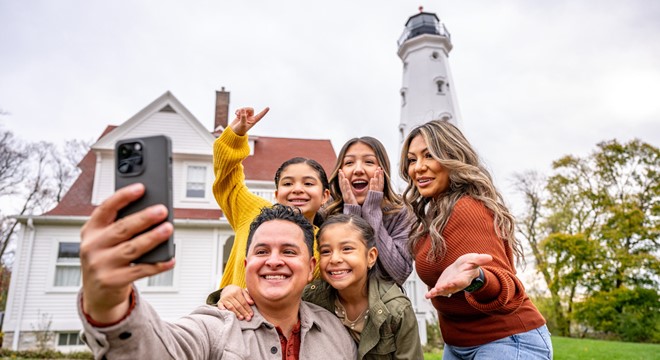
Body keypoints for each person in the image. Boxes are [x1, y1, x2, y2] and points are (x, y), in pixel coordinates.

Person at [78, 190, 358, 359]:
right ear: (246, 264)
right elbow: (161, 350)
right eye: (262, 252)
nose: (273, 261)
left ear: (311, 268)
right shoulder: (215, 327)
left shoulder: (336, 333)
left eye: (288, 251)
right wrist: (111, 305)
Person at [400, 120, 553, 359]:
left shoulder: (467, 208)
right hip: (458, 344)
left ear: (451, 157)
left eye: (429, 155)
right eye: (412, 159)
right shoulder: (435, 215)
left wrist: (476, 278)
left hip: (506, 341)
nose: (418, 167)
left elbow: (508, 289)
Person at [215, 106, 331, 288]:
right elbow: (228, 180)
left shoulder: (326, 243)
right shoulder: (253, 212)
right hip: (229, 314)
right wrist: (234, 138)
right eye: (288, 183)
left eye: (308, 183)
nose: (297, 189)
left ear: (325, 196)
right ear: (277, 195)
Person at [303, 214, 423, 359]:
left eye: (347, 249)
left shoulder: (397, 310)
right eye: (326, 251)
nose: (334, 259)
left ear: (370, 257)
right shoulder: (310, 299)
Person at [324, 137, 413, 285]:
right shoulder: (326, 210)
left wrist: (372, 212)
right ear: (340, 172)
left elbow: (400, 273)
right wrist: (352, 213)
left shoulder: (401, 212)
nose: (358, 170)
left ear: (383, 170)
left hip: (383, 305)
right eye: (349, 163)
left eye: (369, 162)